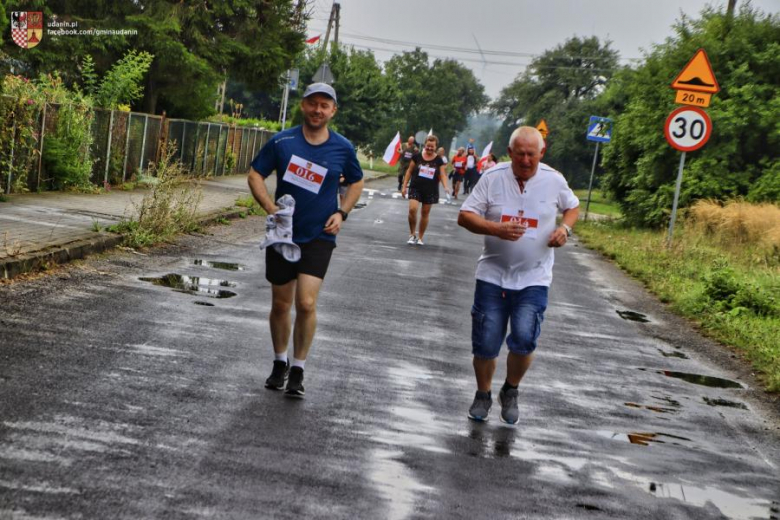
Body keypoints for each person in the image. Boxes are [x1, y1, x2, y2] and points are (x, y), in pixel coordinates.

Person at [247, 82, 364, 398]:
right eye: (313, 103)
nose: (318, 110)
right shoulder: (282, 141)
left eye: (325, 105)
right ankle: (279, 361)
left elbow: (356, 182)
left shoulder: (342, 148)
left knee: (306, 302)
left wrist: (342, 213)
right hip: (283, 234)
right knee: (281, 303)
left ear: (333, 111)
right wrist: (270, 208)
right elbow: (255, 174)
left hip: (319, 236)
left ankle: (298, 368)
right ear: (303, 105)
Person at [457, 126, 580, 424]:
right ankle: (483, 394)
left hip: (534, 278)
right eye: (520, 154)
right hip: (492, 275)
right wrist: (495, 228)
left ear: (542, 153)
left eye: (532, 154)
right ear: (510, 152)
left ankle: (510, 389)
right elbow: (465, 216)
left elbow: (572, 207)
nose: (526, 160)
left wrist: (565, 229)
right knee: (486, 342)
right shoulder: (492, 178)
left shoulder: (554, 180)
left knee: (524, 339)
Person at [401, 134, 450, 246]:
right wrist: (404, 186)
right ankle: (412, 234)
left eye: (432, 146)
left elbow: (442, 175)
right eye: (428, 146)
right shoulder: (417, 156)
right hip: (415, 187)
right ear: (425, 145)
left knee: (425, 213)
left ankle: (420, 237)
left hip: (430, 189)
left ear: (436, 147)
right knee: (412, 209)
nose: (429, 148)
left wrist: (446, 186)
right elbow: (409, 171)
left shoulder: (439, 160)